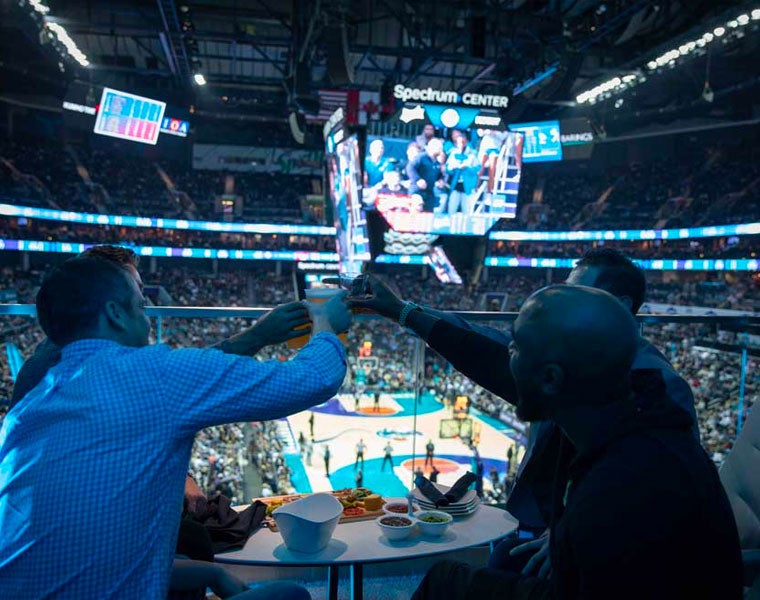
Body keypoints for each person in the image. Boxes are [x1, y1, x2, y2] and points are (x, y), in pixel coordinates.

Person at [0, 256, 350, 598]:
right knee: (292, 596)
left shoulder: (26, 409)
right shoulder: (153, 374)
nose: (149, 320)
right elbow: (314, 378)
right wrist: (325, 324)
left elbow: (87, 556)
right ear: (115, 314)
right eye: (140, 306)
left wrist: (211, 570)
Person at [343, 248, 699, 565]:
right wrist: (401, 310)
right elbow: (479, 344)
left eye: (575, 296)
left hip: (595, 557)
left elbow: (662, 500)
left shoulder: (660, 390)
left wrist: (569, 534)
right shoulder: (568, 364)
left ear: (618, 308)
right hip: (544, 532)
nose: (561, 304)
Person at [411, 286, 742, 599]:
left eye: (516, 347)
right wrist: (402, 312)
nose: (506, 356)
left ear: (551, 378)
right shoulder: (630, 417)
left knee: (446, 580)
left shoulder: (623, 488)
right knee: (480, 567)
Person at [445, 132, 480, 214]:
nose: (461, 144)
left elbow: (477, 168)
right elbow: (448, 169)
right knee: (452, 208)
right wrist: (453, 168)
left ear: (466, 142)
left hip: (467, 186)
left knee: (466, 211)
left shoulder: (473, 153)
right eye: (459, 143)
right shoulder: (453, 153)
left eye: (463, 142)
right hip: (455, 186)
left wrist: (467, 168)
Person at [408, 137, 445, 212]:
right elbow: (410, 167)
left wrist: (441, 180)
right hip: (417, 190)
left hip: (429, 191)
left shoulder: (437, 163)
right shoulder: (422, 157)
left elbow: (438, 175)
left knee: (429, 214)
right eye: (439, 148)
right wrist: (417, 179)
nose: (440, 150)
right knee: (417, 210)